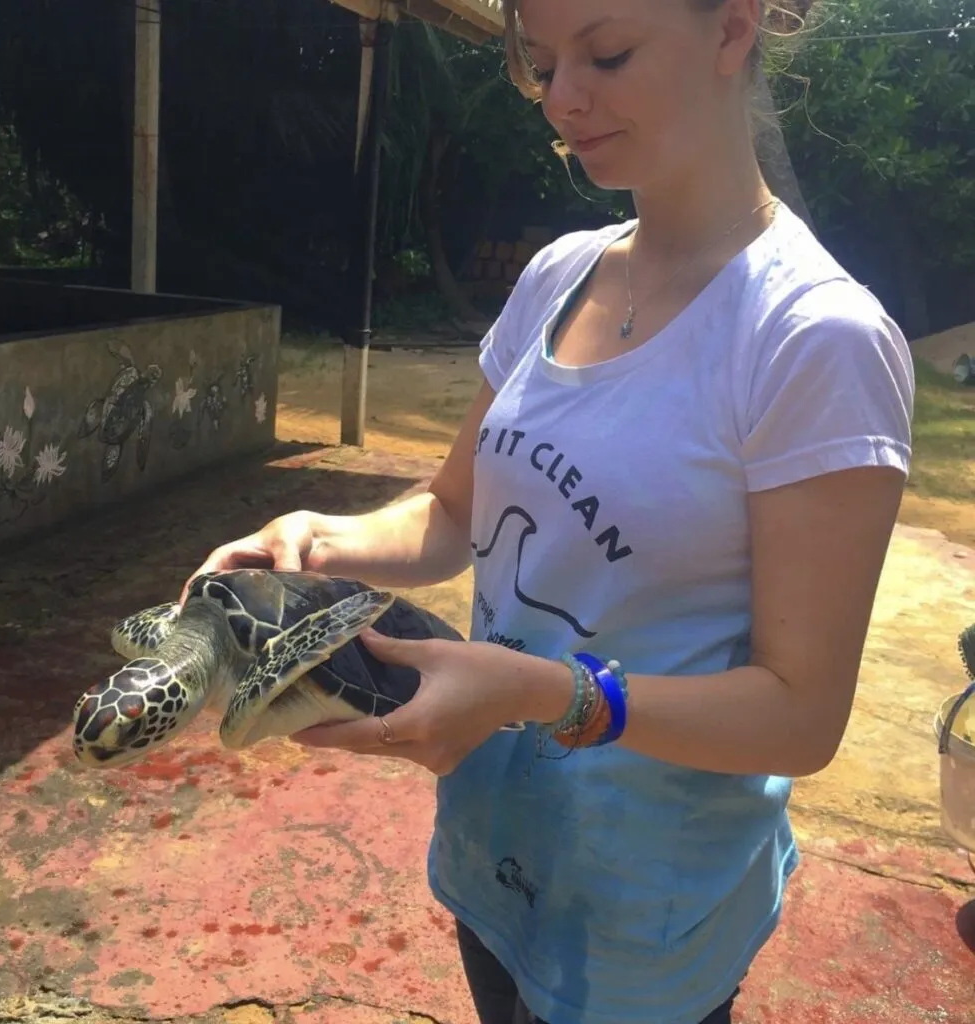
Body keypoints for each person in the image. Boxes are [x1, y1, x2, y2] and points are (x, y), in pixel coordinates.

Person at [187, 1, 915, 1021]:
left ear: (731, 26)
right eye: (538, 65)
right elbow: (451, 509)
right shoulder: (557, 275)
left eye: (606, 53)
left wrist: (548, 694)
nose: (561, 100)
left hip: (644, 918)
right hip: (496, 851)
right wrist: (319, 540)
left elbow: (799, 715)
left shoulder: (814, 339)